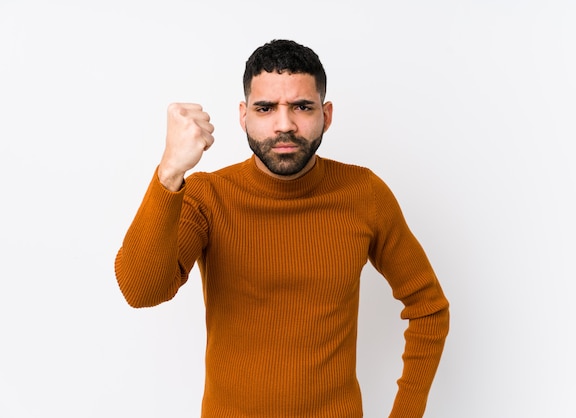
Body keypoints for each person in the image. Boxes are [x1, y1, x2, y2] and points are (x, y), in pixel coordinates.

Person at [115, 39, 449, 418]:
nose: (284, 124)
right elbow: (141, 290)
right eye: (266, 108)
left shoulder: (364, 193)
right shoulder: (208, 196)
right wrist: (170, 172)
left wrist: (407, 411)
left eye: (302, 107)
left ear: (327, 114)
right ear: (243, 116)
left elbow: (428, 306)